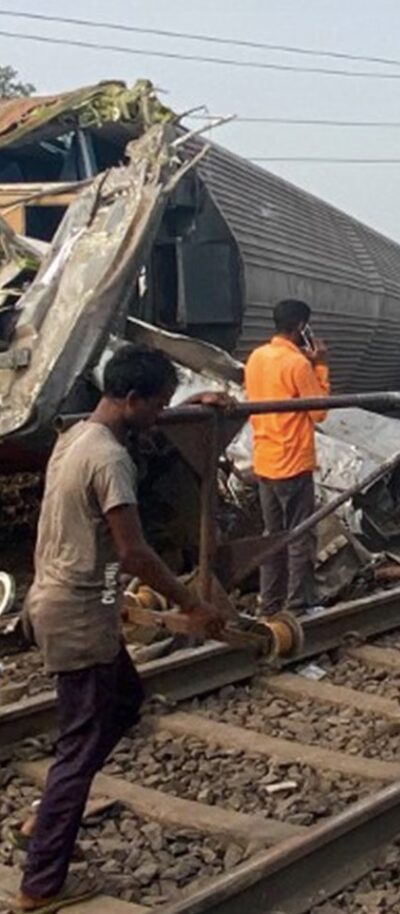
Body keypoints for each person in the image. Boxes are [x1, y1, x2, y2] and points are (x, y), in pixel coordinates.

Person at [15, 345, 229, 913]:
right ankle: (41, 882)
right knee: (80, 748)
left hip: (67, 602)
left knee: (127, 701)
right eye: (157, 406)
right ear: (131, 400)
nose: (160, 416)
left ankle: (44, 820)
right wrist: (193, 603)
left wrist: (194, 403)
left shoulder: (77, 437)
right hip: (79, 614)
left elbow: (142, 443)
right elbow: (134, 554)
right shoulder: (110, 460)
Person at [244, 299, 329, 616]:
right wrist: (320, 366)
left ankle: (270, 603)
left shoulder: (257, 357)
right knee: (299, 536)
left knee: (272, 537)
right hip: (292, 460)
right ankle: (299, 604)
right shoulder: (298, 365)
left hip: (264, 459)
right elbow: (319, 411)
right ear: (301, 328)